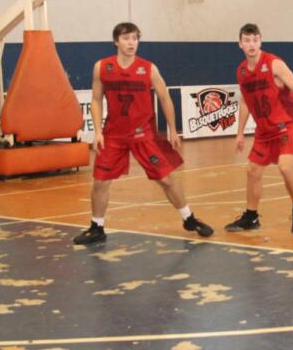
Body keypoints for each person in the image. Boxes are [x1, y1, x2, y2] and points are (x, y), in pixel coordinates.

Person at [73, 22, 213, 245]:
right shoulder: (102, 67)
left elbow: (165, 98)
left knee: (166, 179)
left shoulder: (149, 69)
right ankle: (96, 227)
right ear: (116, 41)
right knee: (100, 182)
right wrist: (97, 131)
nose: (131, 43)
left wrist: (173, 129)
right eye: (126, 38)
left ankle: (189, 218)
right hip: (113, 135)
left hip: (143, 134)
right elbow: (96, 100)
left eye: (135, 38)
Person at [226, 24, 293, 234]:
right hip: (265, 129)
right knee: (252, 171)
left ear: (260, 41)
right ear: (240, 44)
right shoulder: (241, 71)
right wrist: (240, 132)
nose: (251, 44)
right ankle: (251, 217)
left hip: (287, 124)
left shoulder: (274, 64)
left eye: (255, 39)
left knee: (285, 167)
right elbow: (245, 101)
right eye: (247, 40)